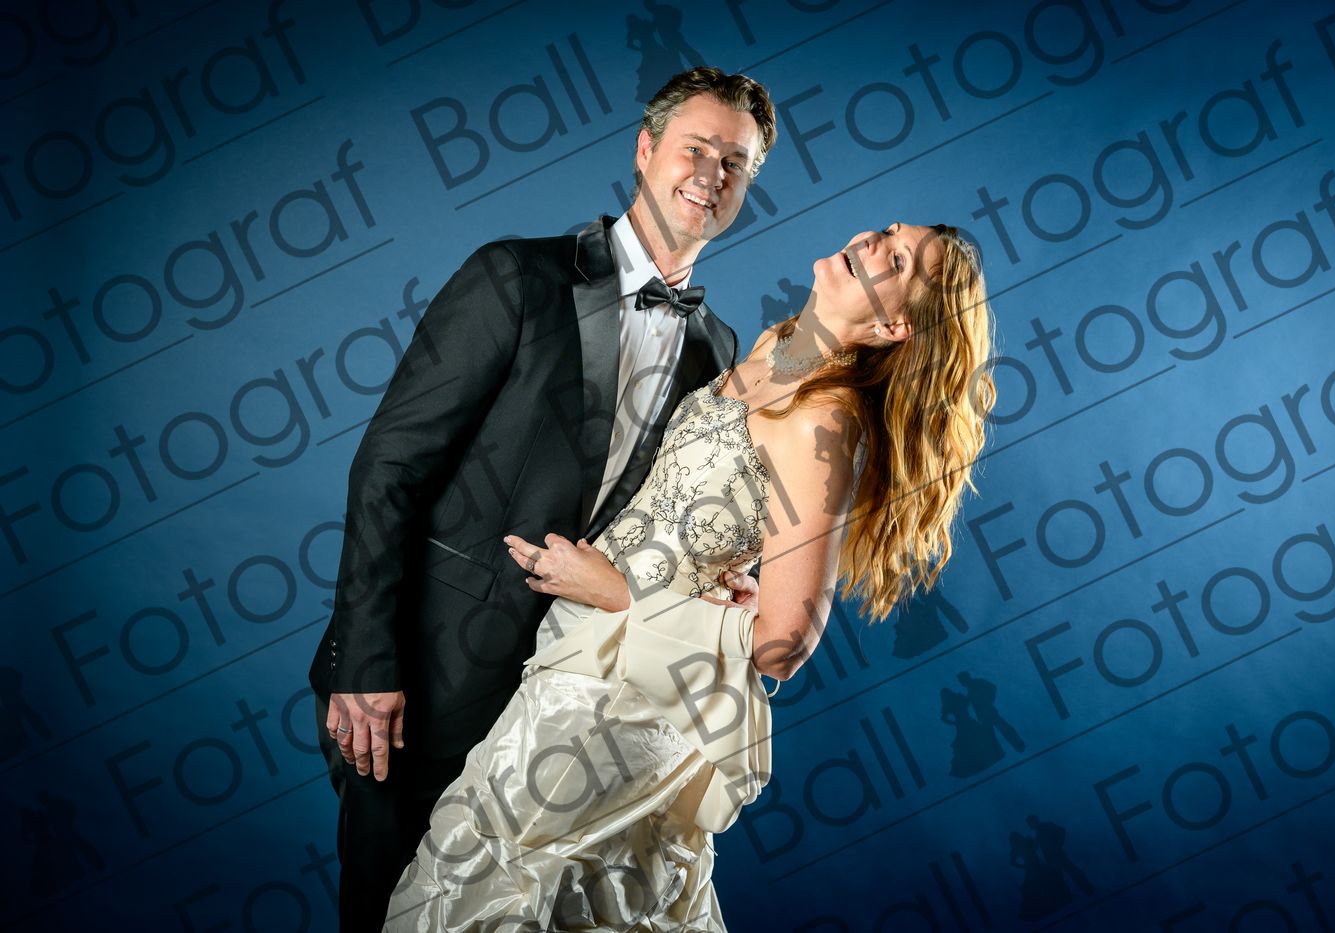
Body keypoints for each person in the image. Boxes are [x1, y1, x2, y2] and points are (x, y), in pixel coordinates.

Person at [382, 220, 998, 929]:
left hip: (627, 698)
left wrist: (616, 591)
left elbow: (784, 645)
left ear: (894, 327)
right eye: (886, 231)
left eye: (896, 259)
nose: (870, 242)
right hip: (575, 656)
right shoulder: (771, 348)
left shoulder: (824, 422)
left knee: (501, 886)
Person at [306, 66, 778, 933]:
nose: (712, 175)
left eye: (735, 163)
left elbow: (668, 519)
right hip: (425, 677)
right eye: (697, 149)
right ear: (645, 150)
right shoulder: (515, 277)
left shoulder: (718, 350)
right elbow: (387, 468)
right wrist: (365, 665)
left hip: (568, 705)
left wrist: (724, 579)